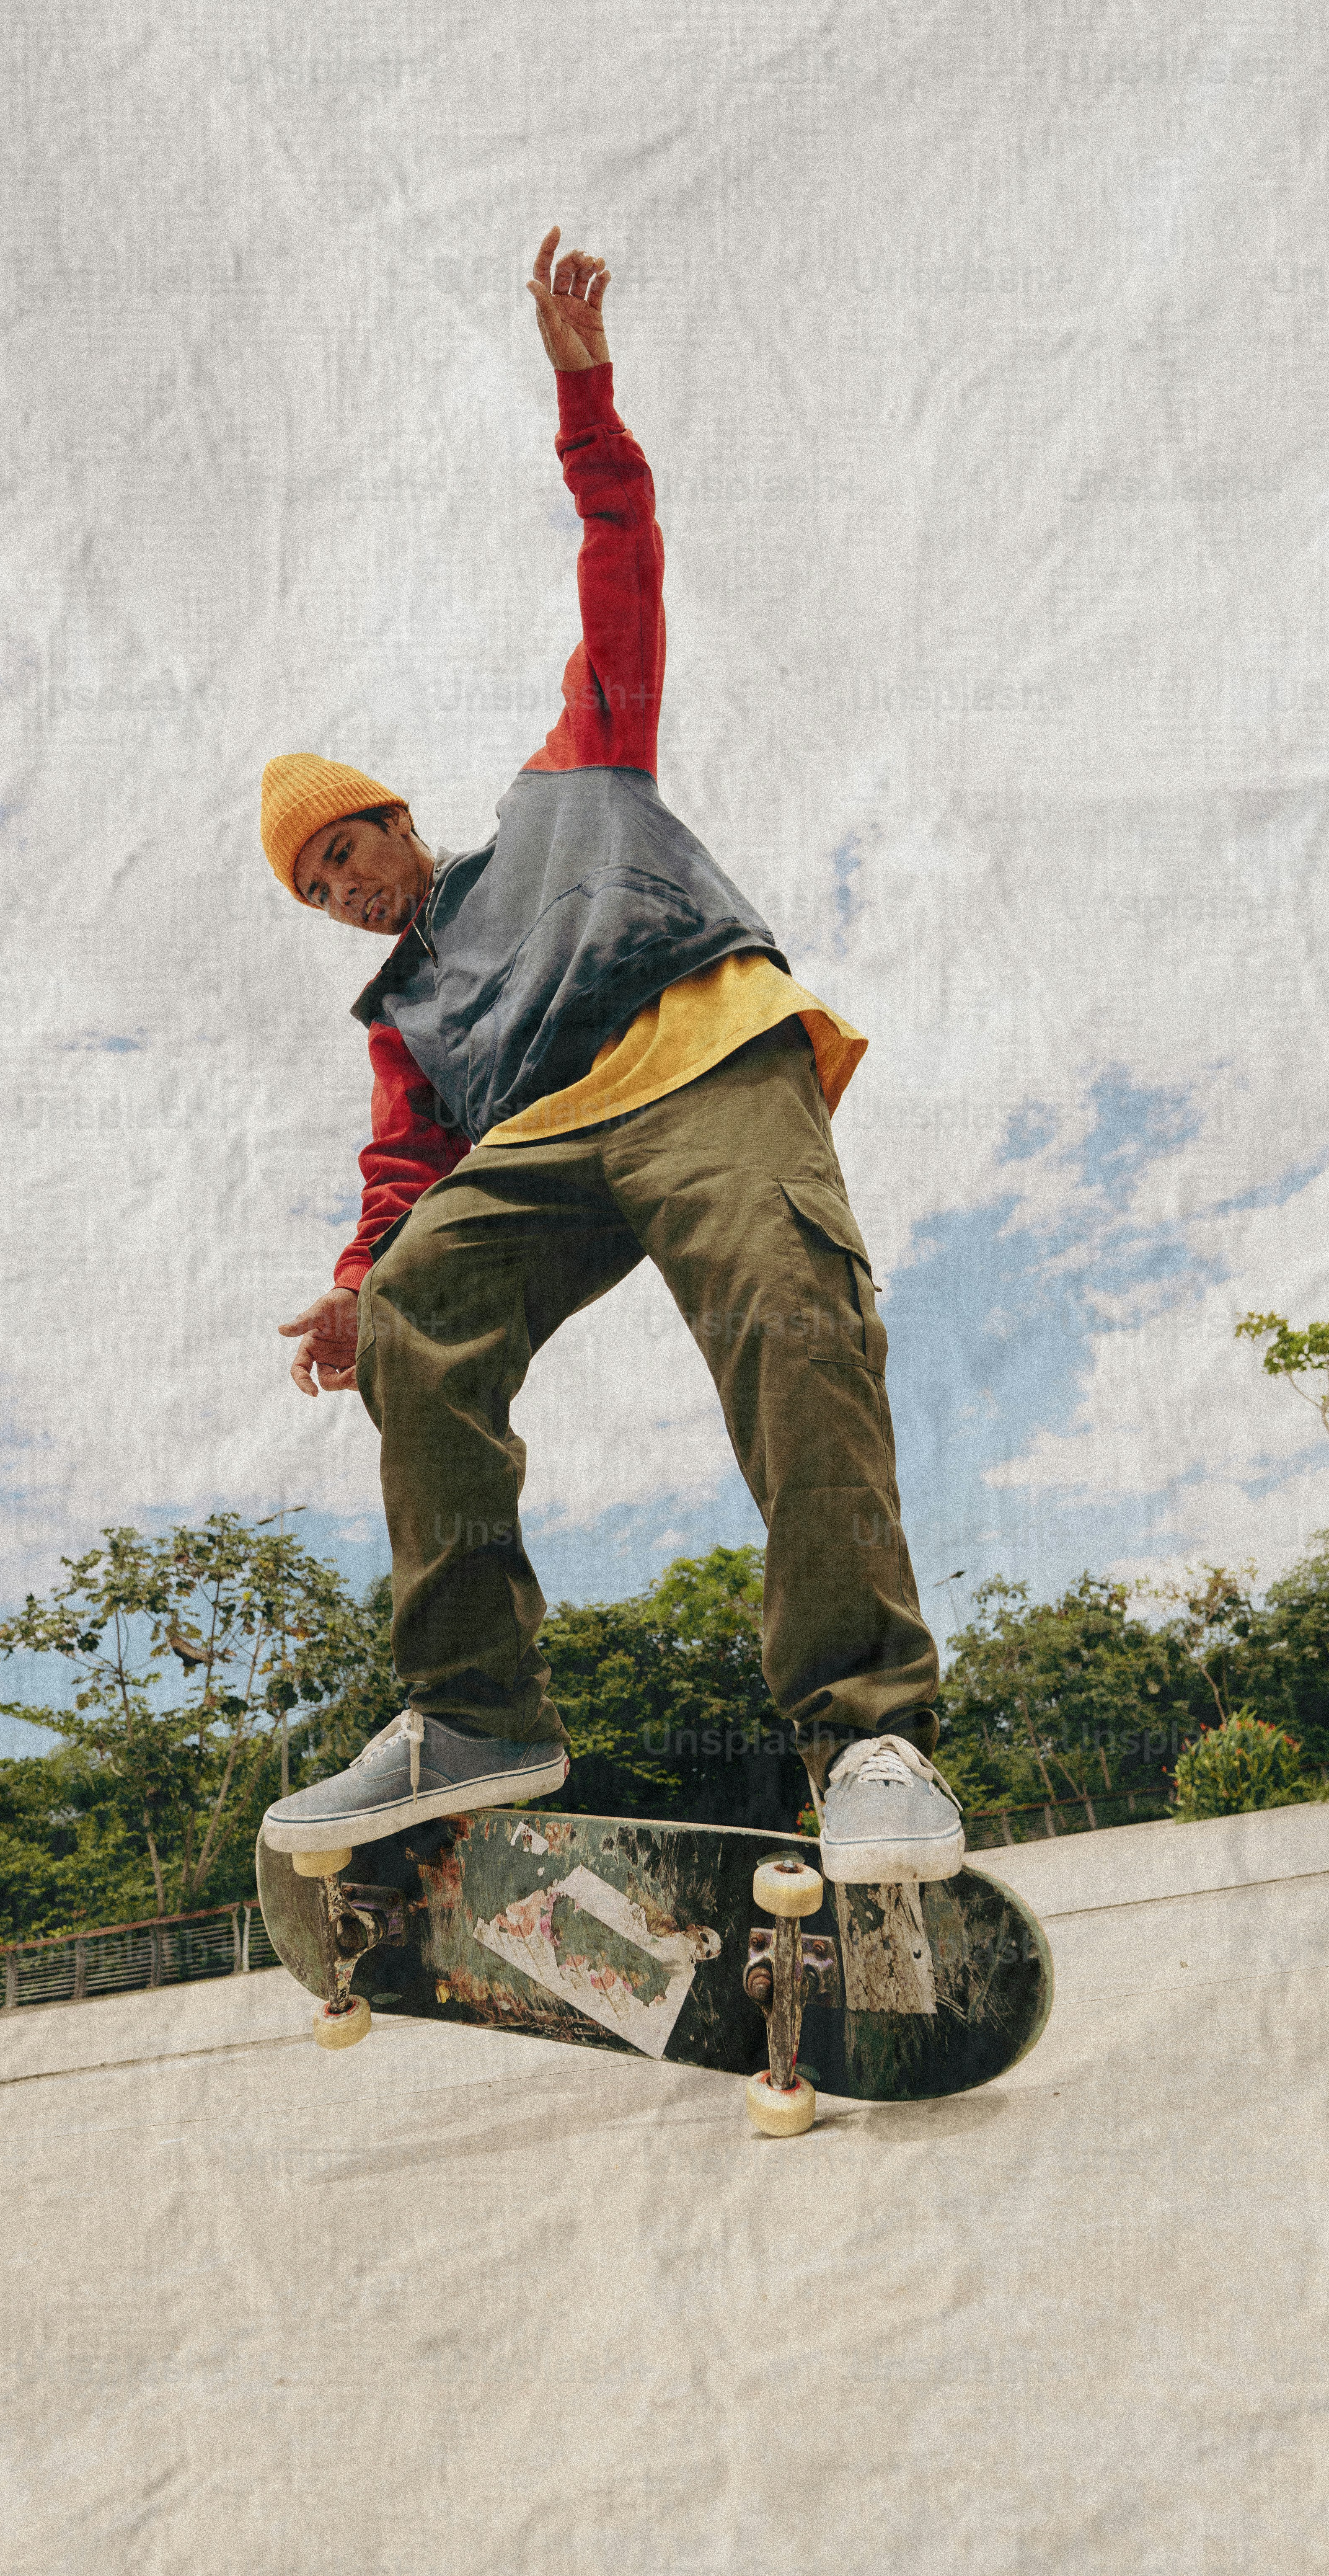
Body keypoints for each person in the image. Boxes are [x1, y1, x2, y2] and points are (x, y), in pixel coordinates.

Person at [256, 227, 962, 1887]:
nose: (346, 897)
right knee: (420, 1306)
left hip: (701, 1057)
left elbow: (619, 559)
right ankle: (473, 1708)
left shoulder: (575, 775)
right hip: (549, 1142)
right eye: (316, 893)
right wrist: (366, 1278)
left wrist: (583, 398)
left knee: (790, 1314)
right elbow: (401, 1181)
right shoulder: (404, 1023)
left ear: (393, 814)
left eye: (344, 856)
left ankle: (862, 1731)